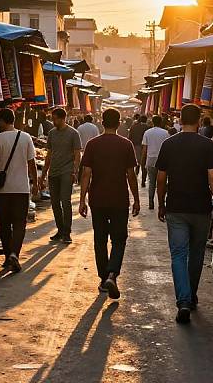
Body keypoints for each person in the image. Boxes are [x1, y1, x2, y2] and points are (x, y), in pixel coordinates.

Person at [156, 104, 213, 325]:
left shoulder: (169, 144)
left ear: (180, 120)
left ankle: (184, 300)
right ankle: (190, 296)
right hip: (200, 208)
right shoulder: (207, 145)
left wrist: (161, 203)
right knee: (196, 255)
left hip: (176, 206)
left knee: (178, 255)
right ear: (198, 121)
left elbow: (160, 178)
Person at [80, 108, 140, 299]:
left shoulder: (92, 144)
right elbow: (131, 174)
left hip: (97, 199)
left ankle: (103, 277)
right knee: (119, 238)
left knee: (100, 239)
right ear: (119, 122)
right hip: (119, 199)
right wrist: (136, 199)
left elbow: (86, 174)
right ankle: (113, 274)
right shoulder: (126, 144)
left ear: (102, 122)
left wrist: (82, 200)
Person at [0, 109, 38, 272]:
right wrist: (36, 182)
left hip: (4, 190)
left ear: (3, 121)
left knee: (4, 224)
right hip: (21, 188)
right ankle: (14, 254)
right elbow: (32, 163)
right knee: (19, 223)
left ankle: (9, 255)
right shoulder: (26, 137)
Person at [40, 108, 82, 244]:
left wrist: (75, 171)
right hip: (54, 172)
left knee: (66, 201)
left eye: (55, 119)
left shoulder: (73, 133)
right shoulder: (52, 133)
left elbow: (77, 154)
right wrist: (44, 173)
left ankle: (67, 232)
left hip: (67, 172)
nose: (53, 121)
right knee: (55, 203)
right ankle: (60, 229)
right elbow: (49, 154)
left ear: (62, 118)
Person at [141, 116, 170, 210]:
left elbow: (145, 149)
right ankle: (162, 202)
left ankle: (151, 203)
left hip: (151, 159)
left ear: (152, 122)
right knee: (163, 182)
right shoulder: (165, 133)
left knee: (151, 183)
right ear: (161, 122)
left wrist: (143, 160)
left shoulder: (147, 133)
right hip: (163, 160)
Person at [129, 114, 150, 186]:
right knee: (144, 164)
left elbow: (130, 137)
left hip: (135, 146)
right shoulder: (147, 127)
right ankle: (143, 181)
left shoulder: (133, 126)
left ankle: (136, 176)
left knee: (137, 163)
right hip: (144, 147)